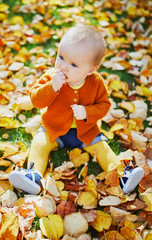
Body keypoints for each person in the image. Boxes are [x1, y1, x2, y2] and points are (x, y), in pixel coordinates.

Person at [9, 25, 144, 195]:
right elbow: (36, 100)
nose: (63, 66)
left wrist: (87, 112)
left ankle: (122, 175)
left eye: (73, 64)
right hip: (54, 129)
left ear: (91, 70)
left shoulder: (95, 83)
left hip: (86, 131)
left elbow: (104, 106)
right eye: (61, 57)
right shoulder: (52, 77)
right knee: (38, 143)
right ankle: (33, 176)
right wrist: (53, 87)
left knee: (103, 149)